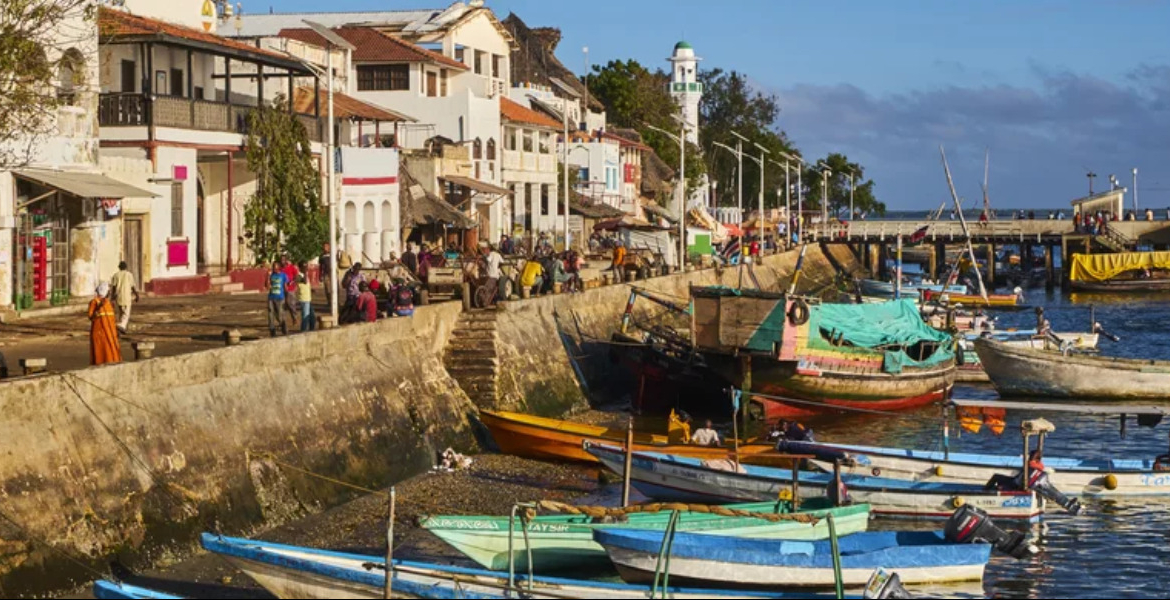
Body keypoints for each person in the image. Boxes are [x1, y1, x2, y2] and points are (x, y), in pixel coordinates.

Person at [88, 283, 122, 365]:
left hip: (111, 332)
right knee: (102, 351)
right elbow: (91, 316)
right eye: (108, 291)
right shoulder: (94, 302)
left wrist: (116, 328)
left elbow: (112, 318)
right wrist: (99, 307)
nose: (109, 293)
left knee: (112, 351)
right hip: (100, 332)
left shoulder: (108, 302)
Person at [109, 261, 139, 334]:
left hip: (118, 297)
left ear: (119, 267)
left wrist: (112, 297)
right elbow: (133, 286)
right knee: (126, 314)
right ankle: (121, 326)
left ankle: (119, 329)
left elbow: (113, 287)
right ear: (126, 267)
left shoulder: (115, 275)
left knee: (121, 313)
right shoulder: (129, 275)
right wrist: (136, 295)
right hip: (127, 297)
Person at [267, 261, 289, 337]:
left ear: (279, 268)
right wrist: (268, 277)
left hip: (280, 298)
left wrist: (287, 299)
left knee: (279, 315)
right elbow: (267, 286)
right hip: (271, 297)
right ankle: (272, 329)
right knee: (270, 314)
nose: (274, 268)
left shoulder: (283, 276)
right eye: (273, 267)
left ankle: (283, 324)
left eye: (275, 267)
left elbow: (286, 288)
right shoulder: (271, 275)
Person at [281, 255, 300, 326]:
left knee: (291, 304)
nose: (282, 261)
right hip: (282, 290)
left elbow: (297, 276)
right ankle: (283, 322)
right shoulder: (280, 269)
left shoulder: (291, 267)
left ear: (286, 260)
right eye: (281, 260)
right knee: (282, 305)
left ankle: (294, 317)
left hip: (291, 289)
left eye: (283, 260)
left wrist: (293, 283)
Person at [297, 265, 315, 332]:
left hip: (308, 299)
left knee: (312, 318)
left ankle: (311, 331)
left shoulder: (305, 275)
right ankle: (303, 331)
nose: (306, 268)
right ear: (300, 268)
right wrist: (305, 272)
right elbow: (304, 281)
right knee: (305, 317)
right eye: (304, 266)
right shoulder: (298, 276)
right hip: (304, 299)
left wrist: (311, 290)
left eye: (306, 266)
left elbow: (306, 284)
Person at [319, 243, 334, 308]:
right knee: (327, 289)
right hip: (326, 274)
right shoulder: (322, 256)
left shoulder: (333, 254)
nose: (325, 247)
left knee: (335, 289)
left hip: (333, 274)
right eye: (324, 246)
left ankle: (335, 302)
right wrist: (320, 275)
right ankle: (329, 302)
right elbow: (321, 266)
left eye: (326, 246)